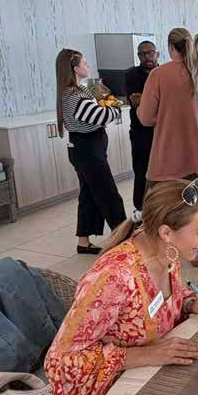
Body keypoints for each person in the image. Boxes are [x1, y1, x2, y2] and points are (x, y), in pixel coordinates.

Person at [45, 180, 198, 395]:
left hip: (157, 374)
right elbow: (61, 363)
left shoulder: (167, 251)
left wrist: (190, 303)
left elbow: (154, 302)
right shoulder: (114, 278)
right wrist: (143, 355)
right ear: (166, 233)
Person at [56, 49, 126, 255]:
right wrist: (115, 108)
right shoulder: (75, 95)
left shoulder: (73, 92)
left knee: (88, 195)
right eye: (84, 63)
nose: (88, 65)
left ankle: (83, 242)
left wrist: (106, 104)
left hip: (84, 149)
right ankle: (124, 240)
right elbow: (99, 116)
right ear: (75, 68)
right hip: (88, 151)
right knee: (109, 196)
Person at [138, 28, 198, 190]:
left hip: (168, 159)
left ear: (170, 47)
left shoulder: (158, 74)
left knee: (161, 205)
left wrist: (164, 115)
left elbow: (145, 119)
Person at [125, 40, 158, 212]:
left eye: (150, 53)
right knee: (141, 171)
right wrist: (159, 100)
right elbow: (136, 100)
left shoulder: (163, 73)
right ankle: (140, 210)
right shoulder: (132, 75)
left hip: (161, 132)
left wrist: (148, 99)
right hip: (141, 133)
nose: (147, 57)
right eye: (142, 54)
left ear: (157, 54)